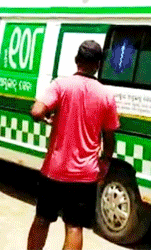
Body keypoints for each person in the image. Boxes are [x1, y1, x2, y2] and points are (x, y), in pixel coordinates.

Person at [27, 40, 120, 250]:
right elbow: (109, 137)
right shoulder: (106, 95)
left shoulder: (61, 85)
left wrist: (46, 117)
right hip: (85, 174)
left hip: (54, 170)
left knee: (42, 219)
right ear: (98, 64)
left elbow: (36, 111)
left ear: (77, 60)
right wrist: (105, 163)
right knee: (74, 227)